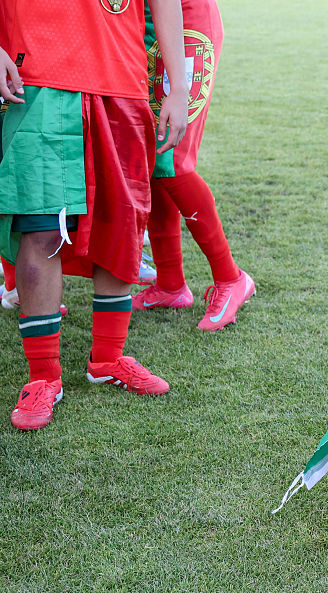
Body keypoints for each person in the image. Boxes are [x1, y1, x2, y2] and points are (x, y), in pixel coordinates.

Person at [0, 0, 188, 431]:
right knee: (41, 227)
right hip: (38, 77)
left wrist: (178, 86)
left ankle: (108, 358)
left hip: (123, 80)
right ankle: (43, 376)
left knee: (121, 221)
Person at [132, 0, 255, 331]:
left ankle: (231, 278)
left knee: (172, 159)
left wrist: (179, 88)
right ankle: (170, 284)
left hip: (184, 22)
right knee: (154, 161)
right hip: (146, 24)